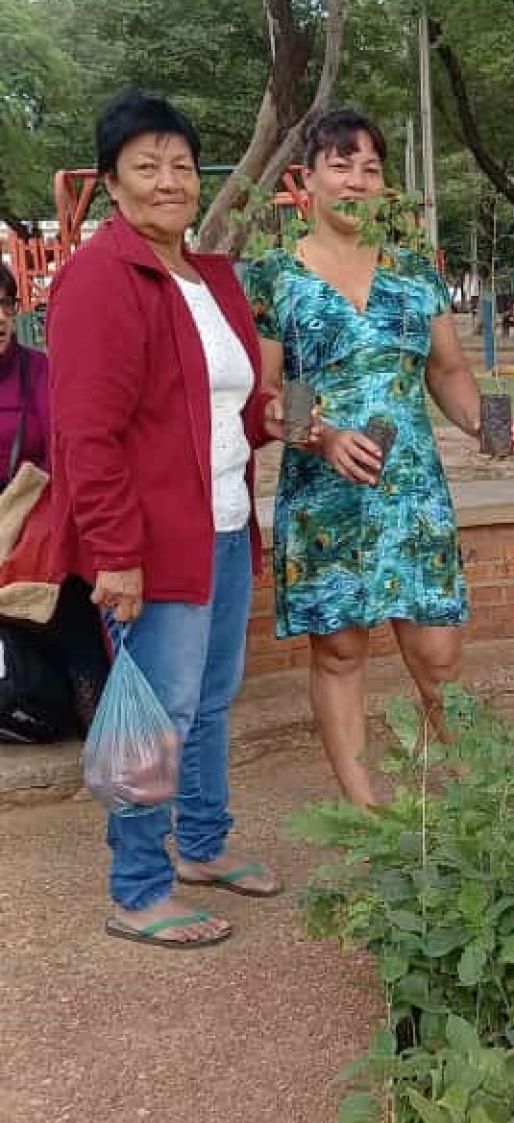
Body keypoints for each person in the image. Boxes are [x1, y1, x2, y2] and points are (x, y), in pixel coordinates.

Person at [48, 91, 291, 949]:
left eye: (181, 165)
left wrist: (278, 418)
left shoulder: (209, 276)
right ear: (112, 183)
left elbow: (217, 407)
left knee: (212, 702)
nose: (168, 181)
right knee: (158, 714)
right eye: (146, 167)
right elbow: (85, 432)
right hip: (152, 545)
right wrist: (116, 553)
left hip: (225, 525)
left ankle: (203, 847)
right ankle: (139, 888)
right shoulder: (100, 279)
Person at [245, 109, 514, 808]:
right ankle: (369, 813)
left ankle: (438, 791)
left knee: (441, 657)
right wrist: (321, 436)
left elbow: (447, 371)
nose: (356, 181)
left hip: (412, 495)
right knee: (339, 652)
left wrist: (490, 426)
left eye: (370, 168)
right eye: (341, 165)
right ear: (307, 179)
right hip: (327, 494)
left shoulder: (413, 271)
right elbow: (273, 392)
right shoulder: (276, 277)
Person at [0, 266, 109, 736]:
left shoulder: (42, 372)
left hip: (32, 525)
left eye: (4, 305)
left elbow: (70, 449)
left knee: (74, 601)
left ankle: (100, 723)